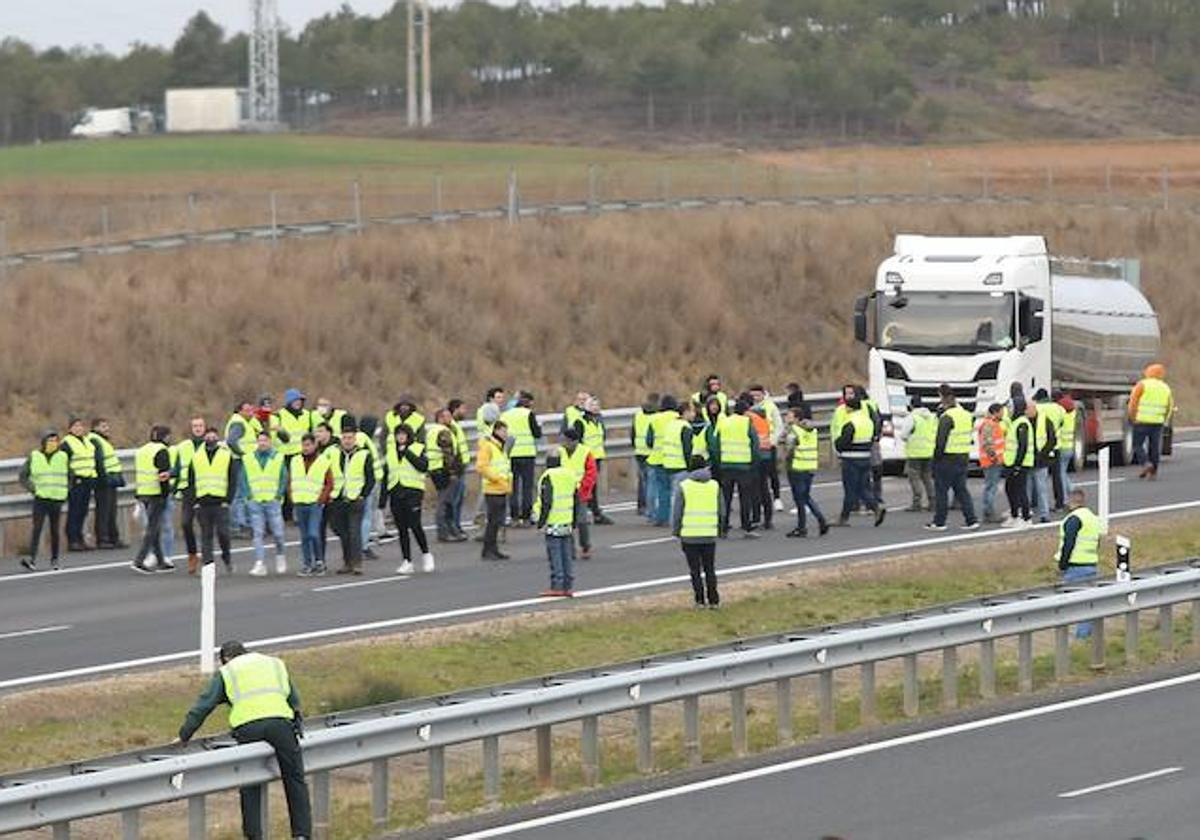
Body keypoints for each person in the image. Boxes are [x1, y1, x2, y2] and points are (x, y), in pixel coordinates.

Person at [177, 641, 312, 840]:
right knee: (294, 778)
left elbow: (203, 706)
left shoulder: (228, 671)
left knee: (249, 783)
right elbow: (293, 699)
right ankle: (301, 835)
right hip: (281, 724)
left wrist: (184, 735)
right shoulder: (274, 663)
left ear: (225, 659)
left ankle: (254, 835)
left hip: (249, 728)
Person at [673, 455, 725, 609]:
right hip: (709, 534)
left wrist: (677, 531)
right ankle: (714, 600)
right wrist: (720, 529)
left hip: (689, 535)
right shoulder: (714, 485)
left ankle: (699, 600)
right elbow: (721, 511)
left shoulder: (684, 486)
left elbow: (677, 512)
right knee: (710, 569)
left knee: (695, 571)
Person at [384, 424, 435, 576]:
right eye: (398, 434)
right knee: (401, 528)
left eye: (403, 434)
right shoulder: (391, 452)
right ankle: (407, 560)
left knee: (415, 524)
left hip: (413, 491)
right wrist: (383, 498)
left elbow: (423, 466)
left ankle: (426, 554)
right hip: (396, 490)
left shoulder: (418, 448)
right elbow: (388, 472)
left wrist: (407, 452)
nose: (400, 437)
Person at [925, 384, 978, 532]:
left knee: (941, 491)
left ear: (942, 397)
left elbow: (940, 442)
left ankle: (939, 522)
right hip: (963, 456)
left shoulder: (947, 417)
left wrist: (935, 460)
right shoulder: (967, 415)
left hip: (947, 458)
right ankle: (971, 519)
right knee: (961, 490)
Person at [328, 417, 374, 576]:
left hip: (356, 499)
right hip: (338, 498)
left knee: (354, 532)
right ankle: (347, 561)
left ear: (355, 438)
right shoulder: (333, 452)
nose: (347, 441)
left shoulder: (363, 454)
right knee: (341, 531)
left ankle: (356, 564)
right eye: (345, 437)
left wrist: (363, 495)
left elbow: (370, 478)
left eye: (350, 438)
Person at [834, 392, 886, 527]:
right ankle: (876, 508)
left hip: (851, 459)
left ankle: (843, 518)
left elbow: (842, 443)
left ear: (849, 409)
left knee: (850, 489)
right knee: (863, 488)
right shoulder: (867, 421)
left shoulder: (850, 423)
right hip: (865, 457)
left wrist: (838, 445)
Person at [241, 431, 289, 578]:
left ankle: (280, 556)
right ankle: (260, 563)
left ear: (270, 442)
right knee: (258, 534)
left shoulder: (278, 457)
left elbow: (283, 477)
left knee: (278, 534)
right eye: (260, 440)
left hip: (272, 501)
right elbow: (243, 479)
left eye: (265, 440)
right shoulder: (248, 458)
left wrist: (279, 495)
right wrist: (247, 497)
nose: (262, 443)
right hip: (255, 501)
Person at [19, 431, 68, 572]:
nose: (53, 443)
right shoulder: (35, 456)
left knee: (55, 531)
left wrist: (66, 491)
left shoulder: (63, 456)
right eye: (50, 440)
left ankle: (55, 560)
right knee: (37, 529)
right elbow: (23, 475)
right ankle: (32, 559)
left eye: (55, 440)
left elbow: (70, 475)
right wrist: (33, 489)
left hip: (57, 499)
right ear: (43, 442)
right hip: (41, 498)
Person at [1056, 489, 1102, 638]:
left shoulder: (1074, 519)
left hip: (1075, 567)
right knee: (1088, 604)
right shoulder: (1093, 518)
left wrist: (1062, 565)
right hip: (1091, 564)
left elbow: (1068, 543)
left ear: (1071, 501)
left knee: (1074, 605)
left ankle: (1081, 637)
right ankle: (1087, 636)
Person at [190, 427, 235, 572]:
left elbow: (232, 479)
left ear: (218, 438)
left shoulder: (226, 455)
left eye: (213, 436)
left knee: (223, 534)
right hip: (202, 502)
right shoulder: (196, 456)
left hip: (220, 501)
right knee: (206, 535)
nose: (210, 439)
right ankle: (208, 565)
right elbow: (191, 480)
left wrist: (228, 499)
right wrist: (194, 501)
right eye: (208, 436)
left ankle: (226, 556)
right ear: (204, 438)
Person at [131, 425, 175, 574]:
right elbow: (163, 476)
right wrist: (165, 493)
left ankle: (161, 560)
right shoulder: (162, 451)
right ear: (165, 437)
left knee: (154, 527)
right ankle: (139, 560)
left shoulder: (142, 450)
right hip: (156, 493)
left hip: (143, 492)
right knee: (152, 528)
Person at [715, 398, 761, 538]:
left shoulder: (723, 422)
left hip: (726, 465)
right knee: (744, 498)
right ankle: (746, 527)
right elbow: (754, 444)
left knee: (726, 499)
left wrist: (719, 462)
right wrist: (754, 462)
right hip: (743, 466)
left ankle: (723, 527)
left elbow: (717, 443)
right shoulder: (746, 423)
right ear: (745, 411)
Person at [534, 452, 579, 597]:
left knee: (555, 556)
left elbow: (546, 501)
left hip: (553, 522)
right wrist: (574, 520)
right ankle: (568, 586)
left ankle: (557, 585)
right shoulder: (570, 475)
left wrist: (541, 523)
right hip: (567, 521)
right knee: (567, 555)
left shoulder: (548, 477)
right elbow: (577, 499)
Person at [290, 433, 332, 577]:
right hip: (300, 502)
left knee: (313, 533)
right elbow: (290, 480)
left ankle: (319, 560)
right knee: (304, 536)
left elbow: (329, 483)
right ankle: (307, 564)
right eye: (303, 445)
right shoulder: (295, 460)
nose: (305, 448)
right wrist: (292, 497)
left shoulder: (323, 461)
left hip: (315, 503)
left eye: (308, 445)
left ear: (315, 445)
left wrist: (321, 499)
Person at [783, 408, 828, 538]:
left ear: (796, 418)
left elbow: (789, 448)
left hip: (797, 467)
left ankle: (803, 526)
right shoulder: (812, 430)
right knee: (806, 496)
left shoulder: (793, 431)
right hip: (810, 466)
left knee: (800, 498)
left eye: (789, 416)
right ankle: (819, 520)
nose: (787, 418)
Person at [172, 416, 207, 575]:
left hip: (206, 490)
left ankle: (207, 557)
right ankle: (192, 555)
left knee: (205, 525)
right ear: (191, 428)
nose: (198, 428)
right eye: (195, 426)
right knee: (186, 524)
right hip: (188, 490)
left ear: (204, 428)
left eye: (200, 425)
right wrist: (172, 484)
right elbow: (178, 468)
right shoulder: (184, 447)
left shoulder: (210, 445)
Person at [501, 391, 541, 527]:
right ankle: (526, 516)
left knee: (513, 487)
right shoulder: (528, 414)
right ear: (528, 403)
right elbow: (537, 433)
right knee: (527, 487)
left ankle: (514, 516)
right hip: (527, 453)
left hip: (511, 454)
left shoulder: (505, 415)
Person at [1129, 362, 1173, 480]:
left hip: (1141, 421)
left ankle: (1145, 463)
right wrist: (1164, 419)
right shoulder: (1165, 388)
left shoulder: (1142, 385)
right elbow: (1169, 406)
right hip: (1158, 422)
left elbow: (1133, 402)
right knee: (1154, 447)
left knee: (1137, 445)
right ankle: (1153, 472)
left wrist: (1133, 417)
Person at [556, 428, 595, 560]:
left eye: (565, 440)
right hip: (564, 492)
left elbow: (591, 473)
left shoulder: (585, 452)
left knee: (582, 521)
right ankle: (569, 549)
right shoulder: (559, 452)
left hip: (581, 491)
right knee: (567, 521)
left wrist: (584, 487)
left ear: (574, 441)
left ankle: (585, 546)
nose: (563, 443)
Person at [60, 417, 97, 552]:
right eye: (75, 426)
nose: (79, 428)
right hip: (76, 481)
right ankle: (72, 540)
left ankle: (80, 538)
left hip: (87, 479)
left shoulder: (87, 441)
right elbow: (63, 463)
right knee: (74, 511)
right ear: (70, 429)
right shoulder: (67, 443)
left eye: (81, 426)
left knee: (83, 511)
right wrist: (71, 478)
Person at [477, 419, 512, 561]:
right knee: (493, 521)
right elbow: (482, 467)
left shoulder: (499, 447)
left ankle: (493, 549)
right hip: (493, 489)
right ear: (496, 431)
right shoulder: (488, 446)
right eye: (503, 431)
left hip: (502, 488)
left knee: (497, 521)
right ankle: (488, 550)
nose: (506, 434)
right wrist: (497, 479)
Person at [428, 408, 465, 543]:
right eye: (447, 416)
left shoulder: (432, 430)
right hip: (443, 470)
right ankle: (444, 532)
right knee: (445, 502)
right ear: (440, 418)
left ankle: (448, 531)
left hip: (435, 469)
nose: (450, 419)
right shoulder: (443, 431)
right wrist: (453, 472)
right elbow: (448, 454)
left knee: (445, 500)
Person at [225, 401, 261, 538]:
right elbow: (231, 441)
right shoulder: (239, 423)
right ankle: (237, 526)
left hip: (241, 461)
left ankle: (240, 524)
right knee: (239, 495)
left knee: (240, 494)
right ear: (239, 411)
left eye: (251, 410)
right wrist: (243, 454)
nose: (250, 413)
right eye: (247, 410)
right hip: (240, 462)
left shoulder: (243, 422)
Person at [89, 418, 125, 549]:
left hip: (111, 479)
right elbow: (99, 461)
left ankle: (113, 537)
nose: (107, 429)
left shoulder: (103, 440)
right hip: (103, 480)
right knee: (103, 511)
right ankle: (103, 538)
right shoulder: (94, 440)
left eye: (107, 426)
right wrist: (103, 478)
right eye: (103, 427)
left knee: (111, 511)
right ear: (96, 428)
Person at [748, 385, 785, 513]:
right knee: (758, 477)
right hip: (754, 447)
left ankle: (777, 498)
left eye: (758, 395)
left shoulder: (770, 406)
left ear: (763, 394)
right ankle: (760, 502)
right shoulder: (749, 407)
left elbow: (779, 425)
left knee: (772, 473)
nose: (756, 398)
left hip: (768, 445)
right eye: (753, 396)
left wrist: (772, 441)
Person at [277, 389, 312, 522]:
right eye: (296, 401)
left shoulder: (307, 415)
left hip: (301, 454)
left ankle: (296, 513)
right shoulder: (279, 415)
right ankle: (285, 514)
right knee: (285, 485)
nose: (298, 403)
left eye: (300, 401)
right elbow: (278, 435)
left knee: (299, 484)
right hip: (284, 455)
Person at [578, 396, 614, 524]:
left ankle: (595, 513)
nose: (597, 407)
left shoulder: (598, 421)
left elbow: (602, 438)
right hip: (585, 459)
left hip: (596, 457)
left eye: (598, 405)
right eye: (594, 405)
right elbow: (577, 441)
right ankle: (587, 513)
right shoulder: (581, 422)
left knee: (592, 487)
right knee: (585, 486)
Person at [644, 395, 679, 526]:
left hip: (657, 458)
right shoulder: (678, 417)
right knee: (676, 491)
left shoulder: (654, 419)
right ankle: (674, 517)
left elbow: (649, 440)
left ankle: (658, 517)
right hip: (675, 459)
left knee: (660, 489)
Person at [1002, 399, 1035, 528]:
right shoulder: (1014, 422)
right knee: (1010, 489)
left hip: (1021, 463)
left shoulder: (1022, 423)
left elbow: (1023, 446)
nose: (1009, 411)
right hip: (1011, 462)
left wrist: (1017, 465)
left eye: (1011, 408)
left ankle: (1026, 519)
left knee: (1020, 490)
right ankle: (1015, 515)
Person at [357, 416, 385, 559]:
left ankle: (361, 545)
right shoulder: (363, 439)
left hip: (369, 481)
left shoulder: (364, 439)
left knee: (365, 516)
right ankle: (363, 546)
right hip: (369, 482)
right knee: (366, 516)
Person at [1030, 388, 1058, 524]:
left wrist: (1042, 454)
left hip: (1040, 459)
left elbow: (1052, 439)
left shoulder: (1044, 420)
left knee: (1041, 488)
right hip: (1029, 460)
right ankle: (1027, 513)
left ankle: (1044, 514)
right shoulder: (1025, 421)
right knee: (1030, 488)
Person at [900, 405, 936, 512]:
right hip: (929, 451)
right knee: (927, 478)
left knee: (914, 478)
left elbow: (903, 435)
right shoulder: (931, 417)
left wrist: (910, 439)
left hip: (915, 453)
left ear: (910, 406)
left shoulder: (912, 417)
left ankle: (917, 502)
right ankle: (932, 502)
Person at [446, 399, 471, 539]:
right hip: (456, 468)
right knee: (454, 500)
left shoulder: (456, 426)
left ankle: (457, 526)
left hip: (461, 466)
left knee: (459, 499)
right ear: (455, 409)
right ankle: (453, 527)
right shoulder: (451, 426)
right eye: (463, 409)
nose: (465, 412)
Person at [978, 403, 1007, 524]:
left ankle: (988, 512)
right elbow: (987, 443)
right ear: (995, 412)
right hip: (992, 461)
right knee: (991, 488)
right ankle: (989, 513)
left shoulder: (991, 423)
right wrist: (994, 457)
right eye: (1001, 412)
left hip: (991, 460)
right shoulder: (990, 424)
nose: (1003, 414)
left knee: (989, 487)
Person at [747, 402, 774, 530]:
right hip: (766, 456)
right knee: (764, 489)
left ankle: (756, 518)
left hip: (756, 458)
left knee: (755, 490)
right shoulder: (765, 422)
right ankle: (768, 519)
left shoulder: (752, 420)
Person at [632, 393, 658, 516]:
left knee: (642, 481)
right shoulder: (657, 417)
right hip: (651, 452)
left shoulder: (638, 415)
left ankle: (641, 506)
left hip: (639, 451)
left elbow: (632, 433)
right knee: (651, 482)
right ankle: (650, 507)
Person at [1051, 390, 1077, 511]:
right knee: (1063, 472)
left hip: (1061, 447)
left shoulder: (1060, 414)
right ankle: (1072, 489)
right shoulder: (1072, 413)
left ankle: (1066, 498)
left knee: (1060, 473)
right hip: (1070, 447)